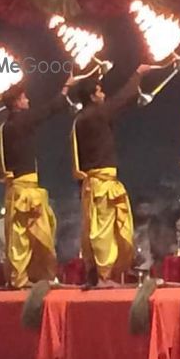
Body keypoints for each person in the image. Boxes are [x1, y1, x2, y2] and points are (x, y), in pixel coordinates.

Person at [71, 65, 151, 286]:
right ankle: (104, 277)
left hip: (90, 184)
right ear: (92, 96)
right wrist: (138, 74)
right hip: (101, 183)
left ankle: (94, 276)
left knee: (93, 231)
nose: (103, 95)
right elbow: (123, 98)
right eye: (99, 91)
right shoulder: (96, 114)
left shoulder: (80, 119)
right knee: (103, 231)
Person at [0, 76, 74, 287]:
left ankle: (26, 277)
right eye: (24, 98)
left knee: (24, 236)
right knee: (36, 236)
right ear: (17, 103)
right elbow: (49, 110)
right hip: (26, 190)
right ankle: (32, 277)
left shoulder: (4, 128)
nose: (28, 100)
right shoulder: (22, 121)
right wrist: (66, 88)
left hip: (17, 189)